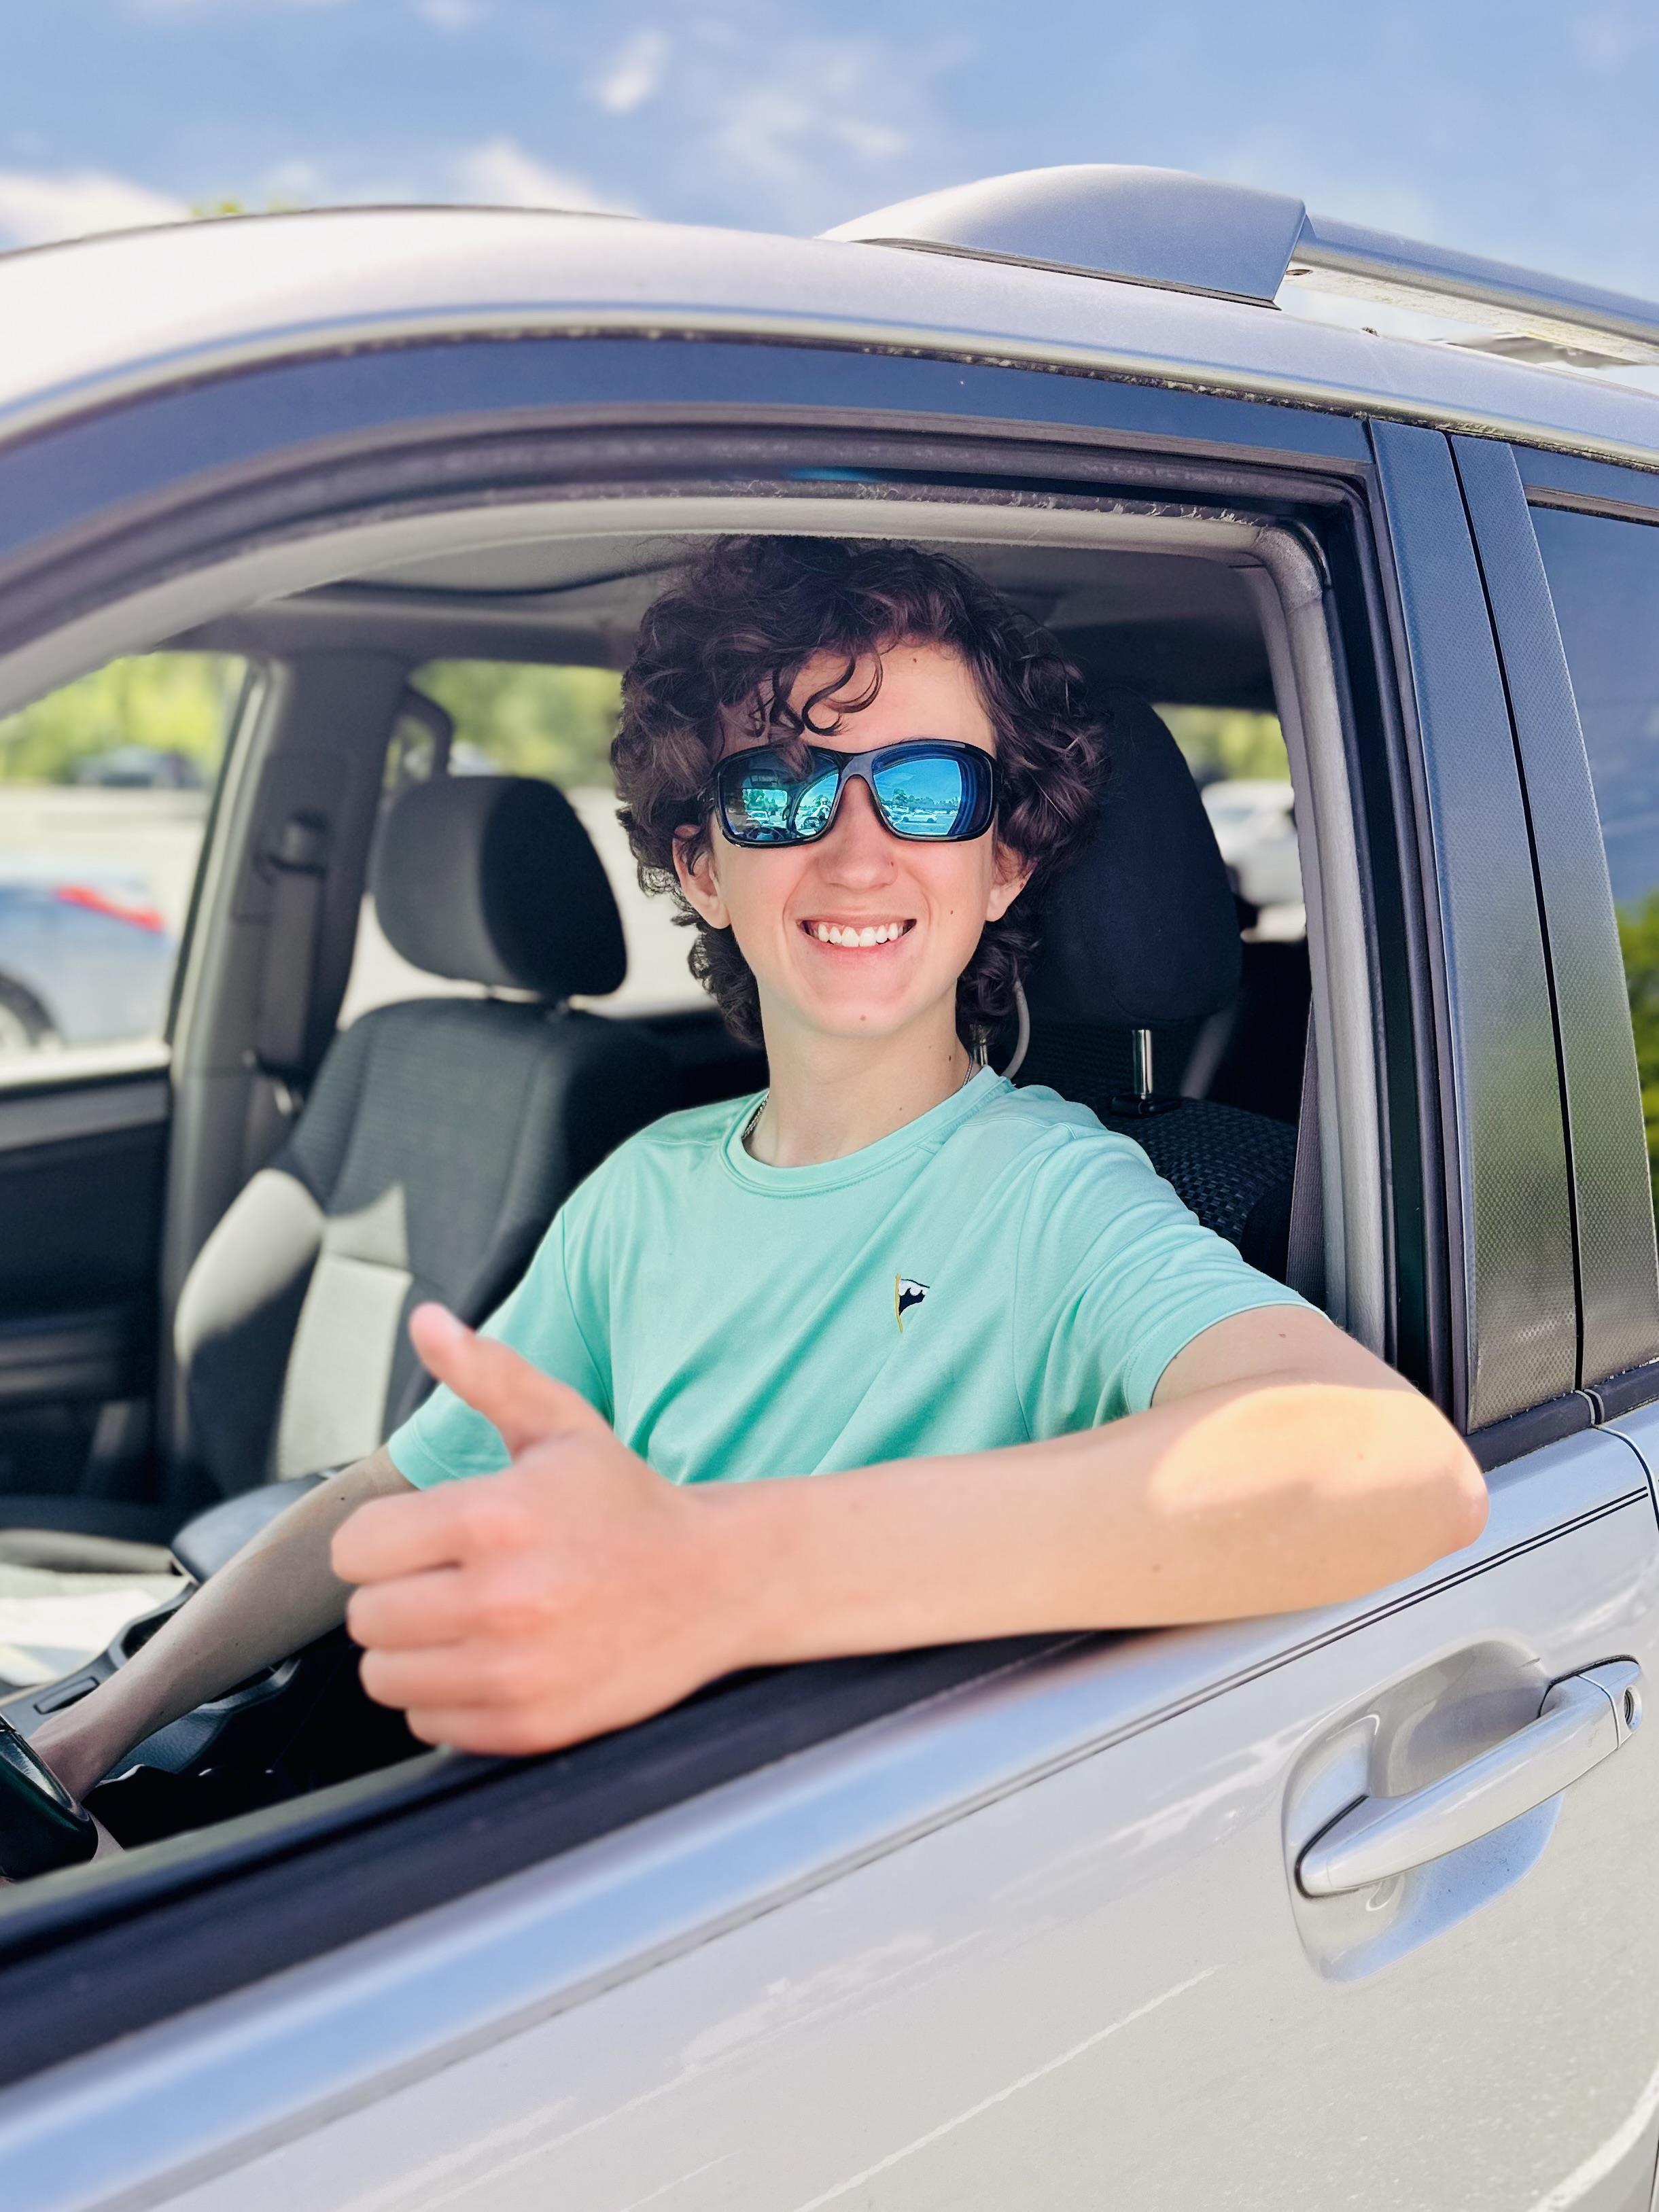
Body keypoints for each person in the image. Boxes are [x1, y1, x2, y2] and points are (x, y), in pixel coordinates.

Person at [33, 537, 1484, 1800]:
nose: (856, 852)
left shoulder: (1053, 1192)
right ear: (705, 866)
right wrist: (99, 1725)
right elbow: (392, 1492)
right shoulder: (646, 1186)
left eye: (929, 790)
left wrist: (714, 1569)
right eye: (783, 792)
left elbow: (1389, 1472)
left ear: (1004, 864)